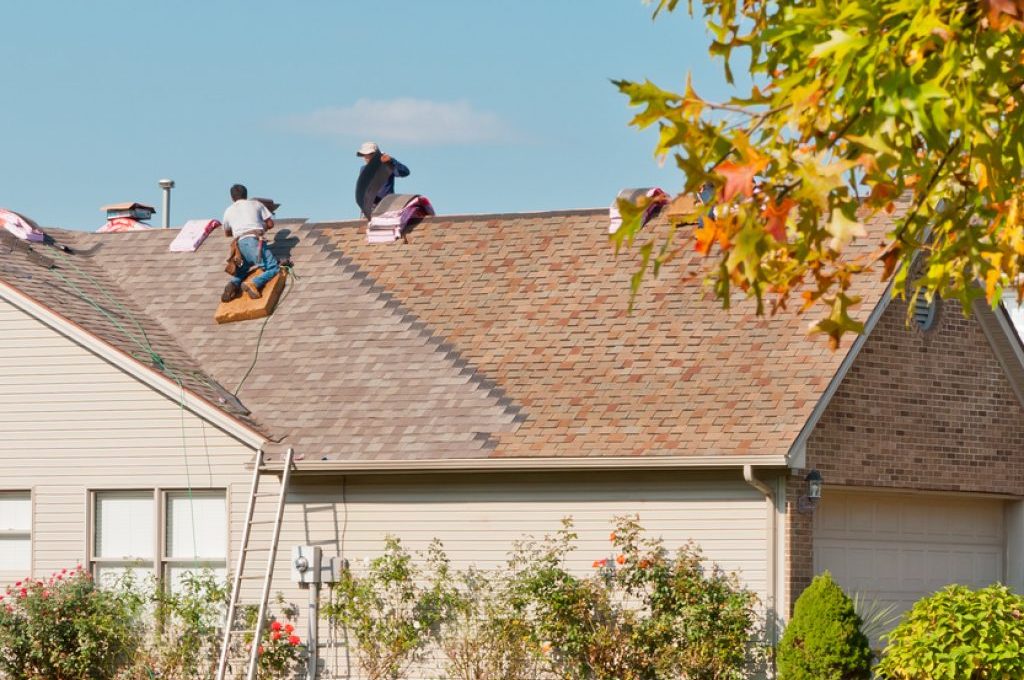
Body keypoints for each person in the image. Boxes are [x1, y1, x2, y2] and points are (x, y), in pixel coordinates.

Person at [221, 184, 280, 302]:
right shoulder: (256, 204)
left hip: (240, 245)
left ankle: (233, 283)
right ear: (246, 195)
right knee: (273, 268)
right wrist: (260, 226)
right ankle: (254, 283)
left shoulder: (228, 210)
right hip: (254, 241)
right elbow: (270, 224)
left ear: (232, 198)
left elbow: (227, 233)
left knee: (244, 269)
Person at [356, 141, 410, 210]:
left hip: (387, 205)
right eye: (364, 155)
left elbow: (405, 172)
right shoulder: (363, 169)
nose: (366, 157)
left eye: (369, 154)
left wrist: (392, 160)